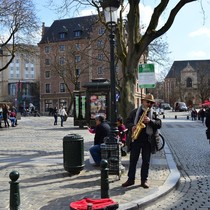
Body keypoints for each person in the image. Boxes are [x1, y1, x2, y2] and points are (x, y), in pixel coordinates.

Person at [122, 93, 162, 188]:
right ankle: (130, 179)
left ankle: (144, 180)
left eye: (151, 103)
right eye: (148, 102)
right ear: (143, 101)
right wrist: (132, 127)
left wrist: (150, 121)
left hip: (148, 140)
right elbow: (127, 122)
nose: (149, 104)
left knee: (146, 161)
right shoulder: (135, 112)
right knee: (133, 160)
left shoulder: (154, 113)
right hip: (136, 139)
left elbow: (159, 124)